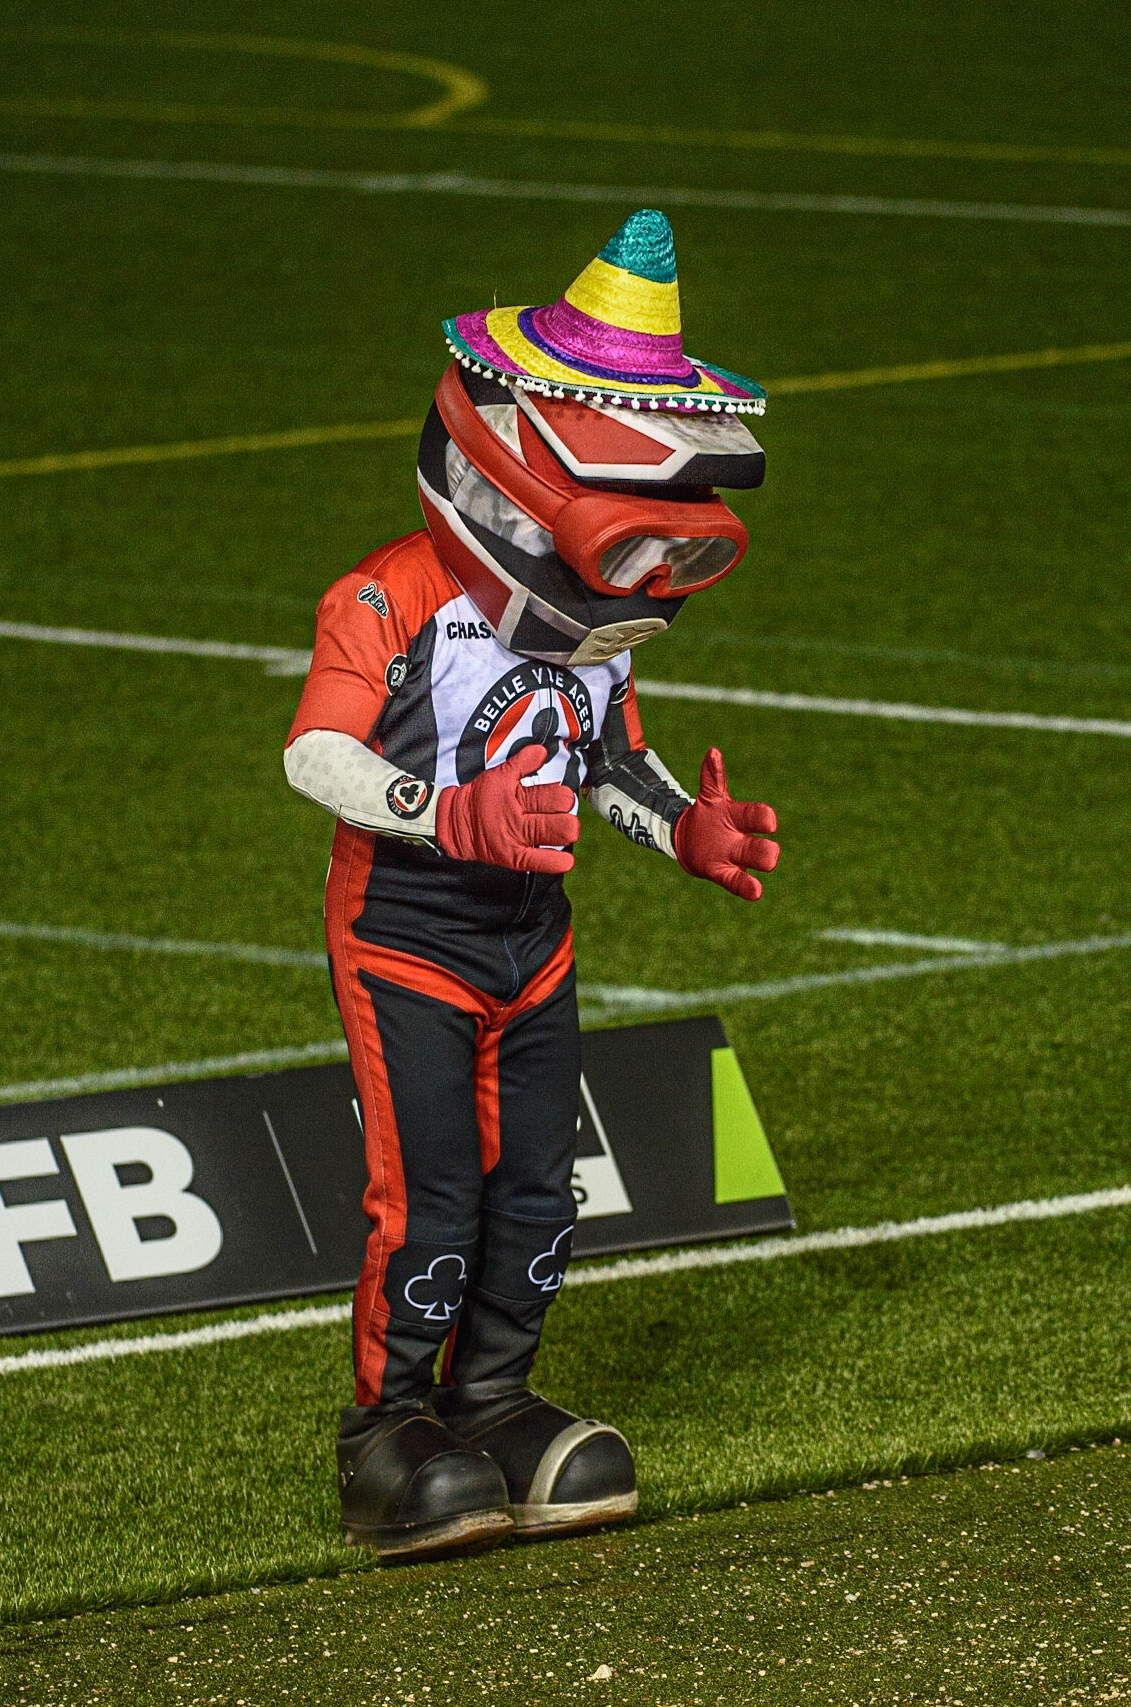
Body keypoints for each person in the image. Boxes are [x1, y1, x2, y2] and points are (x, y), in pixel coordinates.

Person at [285, 209, 779, 1563]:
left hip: (535, 946)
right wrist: (449, 811)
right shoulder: (386, 598)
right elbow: (317, 754)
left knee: (537, 1192)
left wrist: (686, 832)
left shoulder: (594, 625)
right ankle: (384, 1436)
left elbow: (609, 758)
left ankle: (493, 1405)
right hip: (408, 941)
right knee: (431, 1194)